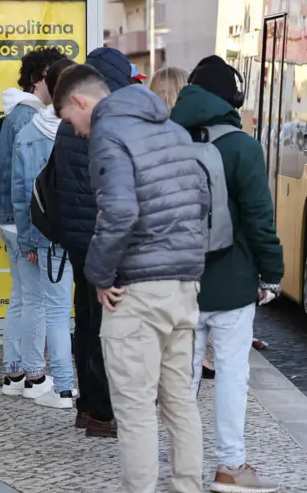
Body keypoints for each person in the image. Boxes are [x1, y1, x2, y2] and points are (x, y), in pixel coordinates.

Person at [56, 64, 209, 493]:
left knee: (136, 407)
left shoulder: (109, 133)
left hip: (139, 289)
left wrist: (99, 275)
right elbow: (202, 200)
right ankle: (186, 487)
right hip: (183, 285)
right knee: (180, 401)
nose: (78, 132)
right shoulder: (171, 129)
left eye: (71, 120)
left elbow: (120, 211)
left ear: (82, 102)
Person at [172, 56, 284, 493]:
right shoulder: (242, 147)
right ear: (232, 98)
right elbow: (259, 219)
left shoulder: (167, 139)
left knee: (182, 378)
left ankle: (182, 466)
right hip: (234, 282)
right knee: (232, 374)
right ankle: (230, 467)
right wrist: (272, 274)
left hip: (179, 281)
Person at [52, 47, 133, 435]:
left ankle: (86, 406)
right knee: (105, 330)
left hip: (77, 240)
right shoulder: (105, 122)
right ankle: (103, 412)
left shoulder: (69, 122)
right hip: (102, 242)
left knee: (84, 323)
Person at [0, 47, 65, 387]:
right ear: (38, 79)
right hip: (23, 220)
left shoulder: (16, 111)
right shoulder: (32, 116)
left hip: (7, 216)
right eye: (51, 76)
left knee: (21, 296)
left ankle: (14, 371)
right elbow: (29, 184)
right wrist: (31, 235)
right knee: (34, 298)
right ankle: (34, 375)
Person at [13, 57, 76, 407]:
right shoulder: (88, 125)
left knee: (54, 309)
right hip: (88, 235)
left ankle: (64, 387)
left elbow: (24, 196)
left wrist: (30, 242)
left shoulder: (29, 132)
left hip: (51, 237)